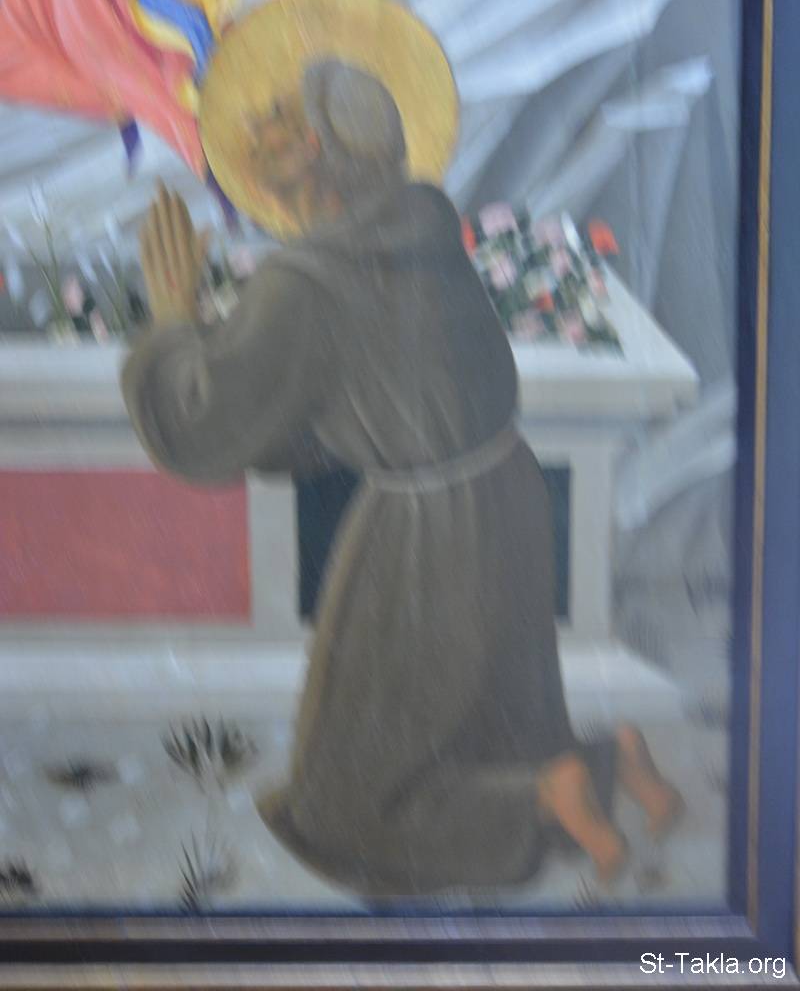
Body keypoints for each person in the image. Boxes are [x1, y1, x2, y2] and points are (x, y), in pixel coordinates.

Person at [122, 59, 683, 898]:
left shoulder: (303, 283)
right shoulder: (420, 229)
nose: (255, 126)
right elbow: (374, 392)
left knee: (346, 802)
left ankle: (546, 797)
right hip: (505, 491)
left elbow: (204, 426)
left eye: (279, 116)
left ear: (315, 149)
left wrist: (172, 321)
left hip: (425, 541)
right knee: (492, 725)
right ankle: (614, 765)